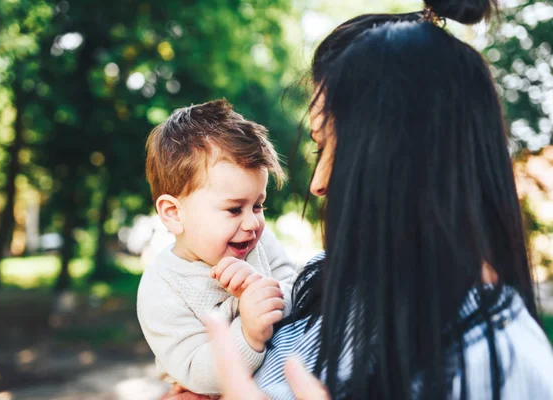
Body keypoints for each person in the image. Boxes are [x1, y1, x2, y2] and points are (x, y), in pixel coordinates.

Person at [163, 0, 553, 399]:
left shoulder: (505, 365)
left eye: (331, 148)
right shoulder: (320, 283)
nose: (317, 183)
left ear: (400, 153)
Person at [137, 99, 297, 395]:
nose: (252, 223)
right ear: (174, 213)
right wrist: (248, 332)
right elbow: (195, 372)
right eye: (235, 209)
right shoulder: (162, 289)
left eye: (258, 205)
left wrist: (266, 294)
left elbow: (297, 290)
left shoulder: (260, 242)